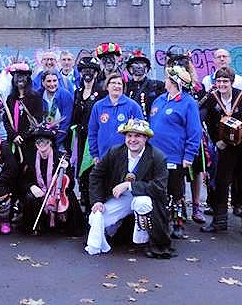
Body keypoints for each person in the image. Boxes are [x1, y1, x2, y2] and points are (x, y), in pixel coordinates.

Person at [85, 118, 174, 259]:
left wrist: (129, 185)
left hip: (146, 198)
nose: (132, 140)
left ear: (145, 138)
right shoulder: (115, 152)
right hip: (121, 198)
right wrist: (97, 201)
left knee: (142, 203)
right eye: (129, 135)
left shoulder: (158, 157)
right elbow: (96, 175)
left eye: (137, 136)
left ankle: (142, 240)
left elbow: (159, 188)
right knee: (96, 218)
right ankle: (100, 243)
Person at [203, 66, 242, 236]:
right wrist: (217, 140)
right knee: (221, 183)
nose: (221, 84)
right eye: (219, 81)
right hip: (225, 148)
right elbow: (209, 121)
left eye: (225, 81)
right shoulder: (212, 99)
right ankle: (219, 221)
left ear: (232, 82)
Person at [148, 63, 203, 239]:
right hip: (154, 155)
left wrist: (189, 155)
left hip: (175, 156)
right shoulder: (159, 100)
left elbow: (195, 131)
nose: (165, 81)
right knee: (157, 190)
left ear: (174, 82)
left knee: (176, 191)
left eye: (168, 79)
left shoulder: (188, 103)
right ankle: (160, 221)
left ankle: (177, 223)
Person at [20, 125, 82, 235]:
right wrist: (31, 186)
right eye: (38, 141)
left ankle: (64, 225)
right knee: (30, 196)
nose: (41, 144)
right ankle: (37, 225)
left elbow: (71, 184)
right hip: (40, 193)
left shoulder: (60, 158)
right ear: (35, 144)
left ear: (50, 142)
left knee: (70, 197)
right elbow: (23, 180)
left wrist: (67, 170)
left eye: (45, 141)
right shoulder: (30, 158)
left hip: (57, 194)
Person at [88, 72, 145, 168]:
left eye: (119, 83)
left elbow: (142, 132)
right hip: (103, 157)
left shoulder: (132, 106)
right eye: (113, 83)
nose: (116, 86)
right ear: (107, 86)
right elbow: (92, 132)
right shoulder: (98, 106)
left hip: (127, 158)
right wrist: (95, 154)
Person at [71, 56, 105, 211]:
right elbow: (73, 117)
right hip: (80, 139)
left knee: (94, 171)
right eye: (84, 70)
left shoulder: (101, 94)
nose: (87, 73)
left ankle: (95, 204)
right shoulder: (77, 92)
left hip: (94, 139)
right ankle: (84, 203)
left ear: (96, 73)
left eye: (90, 70)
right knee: (81, 173)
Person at [3, 62, 45, 162]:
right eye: (17, 76)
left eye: (22, 76)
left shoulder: (35, 97)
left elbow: (37, 120)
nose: (20, 79)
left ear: (28, 78)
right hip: (13, 142)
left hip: (29, 142)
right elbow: (6, 120)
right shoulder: (11, 99)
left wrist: (22, 136)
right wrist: (14, 136)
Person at [39, 70, 75, 151]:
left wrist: (53, 143)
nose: (52, 84)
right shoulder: (39, 94)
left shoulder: (65, 95)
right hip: (41, 140)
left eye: (55, 81)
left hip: (60, 141)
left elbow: (66, 122)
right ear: (43, 82)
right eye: (48, 81)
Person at [124, 50, 164, 117]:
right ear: (130, 69)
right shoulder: (125, 87)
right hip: (130, 125)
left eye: (142, 64)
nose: (139, 67)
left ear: (147, 68)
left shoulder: (157, 85)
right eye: (136, 64)